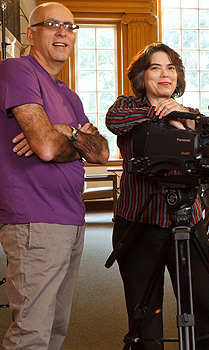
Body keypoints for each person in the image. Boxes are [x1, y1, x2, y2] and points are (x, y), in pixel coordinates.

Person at [0, 2, 110, 349]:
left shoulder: (68, 94)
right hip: (35, 219)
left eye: (69, 26)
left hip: (70, 219)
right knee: (31, 332)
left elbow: (102, 153)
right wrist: (70, 138)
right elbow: (46, 147)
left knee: (55, 328)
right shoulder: (16, 70)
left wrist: (69, 133)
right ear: (31, 34)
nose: (63, 32)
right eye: (52, 24)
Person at [105, 42, 209, 350]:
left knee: (199, 306)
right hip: (138, 222)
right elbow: (113, 122)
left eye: (171, 68)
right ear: (143, 76)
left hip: (187, 222)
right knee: (145, 312)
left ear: (178, 76)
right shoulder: (126, 106)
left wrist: (181, 113)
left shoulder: (190, 113)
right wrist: (158, 114)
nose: (164, 74)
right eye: (155, 68)